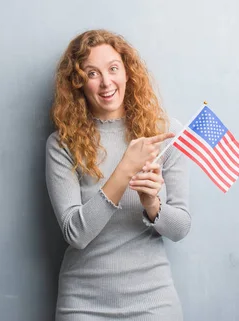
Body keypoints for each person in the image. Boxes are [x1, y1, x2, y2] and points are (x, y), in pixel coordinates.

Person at [45, 29, 191, 321]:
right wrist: (125, 169)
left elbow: (181, 228)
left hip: (153, 302)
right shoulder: (62, 145)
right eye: (92, 73)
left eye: (113, 69)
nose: (106, 82)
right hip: (83, 304)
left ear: (127, 72)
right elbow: (76, 234)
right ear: (78, 83)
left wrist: (152, 205)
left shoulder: (163, 134)